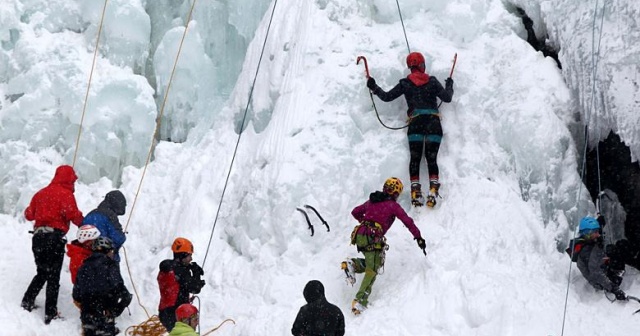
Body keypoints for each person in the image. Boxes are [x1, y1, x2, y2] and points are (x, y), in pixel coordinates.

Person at [366, 52, 454, 207]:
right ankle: (433, 190)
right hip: (433, 123)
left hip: (416, 123)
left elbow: (387, 97)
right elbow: (447, 98)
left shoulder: (405, 83)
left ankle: (415, 192)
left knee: (415, 159)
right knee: (431, 158)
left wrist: (374, 87)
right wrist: (449, 85)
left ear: (410, 67)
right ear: (422, 65)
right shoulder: (432, 81)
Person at [342, 177, 426, 314]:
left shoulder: (372, 201)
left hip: (360, 235)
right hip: (372, 237)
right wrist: (418, 237)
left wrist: (366, 223)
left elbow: (355, 212)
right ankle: (359, 301)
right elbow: (407, 221)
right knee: (372, 270)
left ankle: (353, 264)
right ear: (395, 192)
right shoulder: (392, 205)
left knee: (374, 263)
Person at [21, 165, 84, 324]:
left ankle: (27, 301)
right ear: (68, 179)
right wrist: (86, 224)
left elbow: (29, 215)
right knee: (53, 276)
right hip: (53, 239)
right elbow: (73, 215)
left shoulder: (40, 193)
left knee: (42, 272)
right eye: (73, 180)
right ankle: (50, 313)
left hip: (37, 238)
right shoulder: (65, 195)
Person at [73, 237, 132, 336]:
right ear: (107, 250)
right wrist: (119, 307)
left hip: (88, 312)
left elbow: (76, 293)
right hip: (105, 310)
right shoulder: (110, 265)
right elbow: (118, 285)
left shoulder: (83, 267)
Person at [568, 216, 627, 301]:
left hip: (599, 268)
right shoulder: (588, 251)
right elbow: (597, 273)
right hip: (601, 282)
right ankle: (618, 273)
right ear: (587, 233)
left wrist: (600, 223)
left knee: (613, 247)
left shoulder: (585, 240)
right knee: (619, 248)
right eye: (595, 232)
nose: (598, 234)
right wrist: (614, 289)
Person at [158, 237, 206, 331]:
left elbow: (177, 288)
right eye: (189, 255)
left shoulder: (169, 268)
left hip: (165, 312)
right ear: (182, 255)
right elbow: (195, 288)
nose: (191, 258)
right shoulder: (180, 271)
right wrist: (196, 273)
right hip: (176, 314)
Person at [82, 190, 127, 262]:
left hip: (84, 258)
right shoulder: (110, 216)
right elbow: (118, 238)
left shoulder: (91, 214)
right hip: (104, 258)